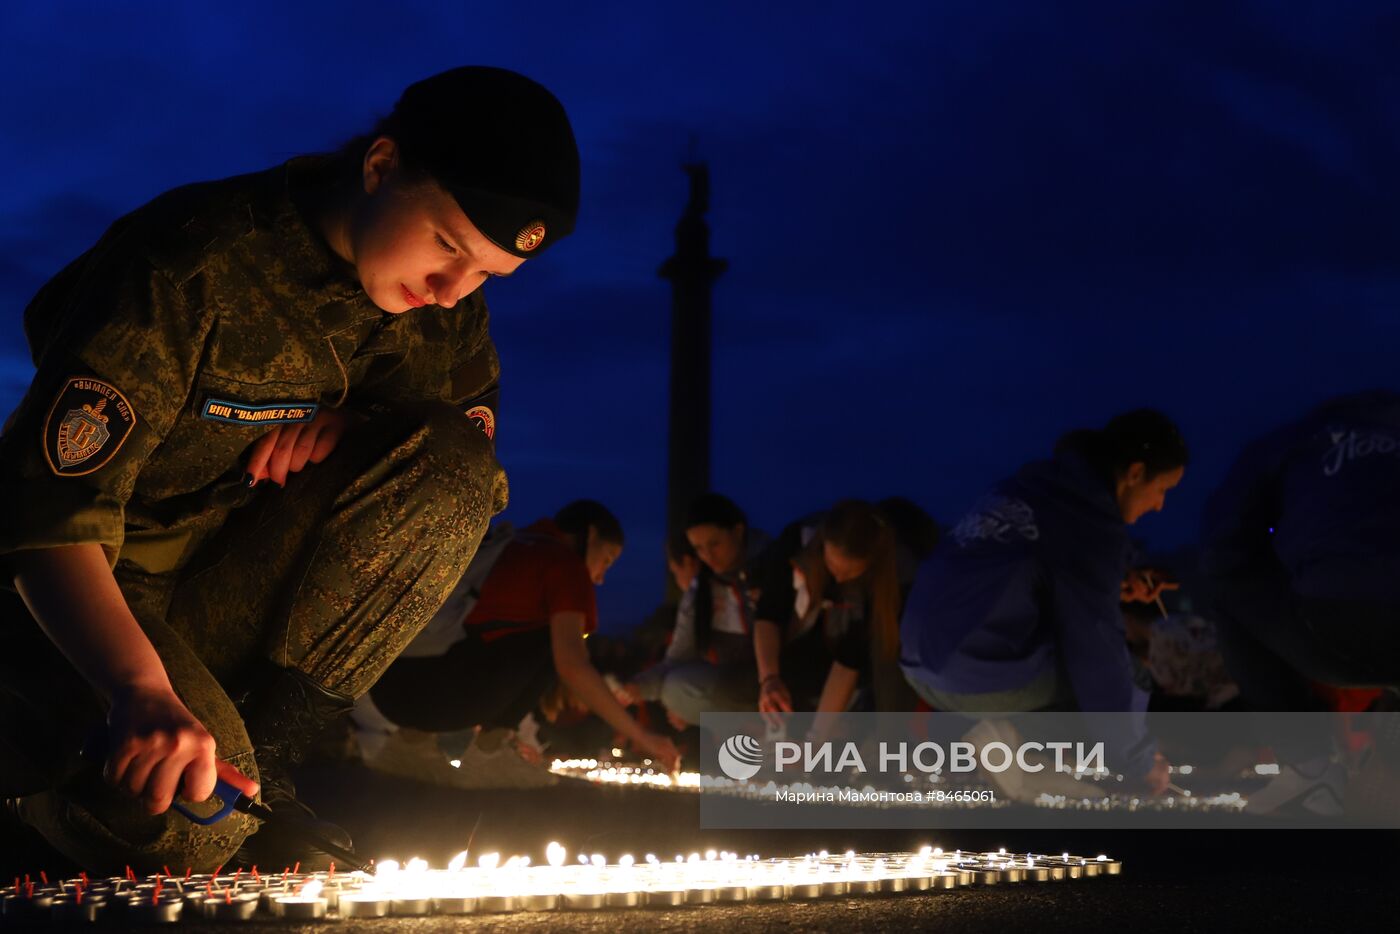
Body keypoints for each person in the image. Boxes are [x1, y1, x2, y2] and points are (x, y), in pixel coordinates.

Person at [0, 66, 579, 871]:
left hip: (213, 586)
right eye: (447, 244)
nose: (453, 292)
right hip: (74, 600)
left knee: (454, 472)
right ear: (380, 167)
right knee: (184, 829)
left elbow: (459, 485)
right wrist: (137, 687)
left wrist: (360, 425)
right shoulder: (194, 262)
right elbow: (42, 511)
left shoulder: (442, 322)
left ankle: (263, 775)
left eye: (485, 272)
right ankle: (36, 785)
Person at [899, 409, 1188, 794]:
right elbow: (1097, 652)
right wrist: (1136, 757)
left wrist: (1114, 585)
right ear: (1135, 474)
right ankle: (1033, 758)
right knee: (1127, 675)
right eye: (1162, 490)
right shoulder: (1092, 526)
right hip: (975, 672)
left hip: (920, 666)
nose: (1160, 506)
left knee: (1090, 672)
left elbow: (1019, 574)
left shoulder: (1032, 486)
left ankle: (1003, 748)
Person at [366, 501, 680, 771]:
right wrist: (643, 736)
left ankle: (411, 746)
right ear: (591, 534)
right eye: (606, 561)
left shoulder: (506, 544)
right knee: (554, 635)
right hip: (444, 698)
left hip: (388, 689)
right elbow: (572, 665)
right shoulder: (563, 563)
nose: (599, 578)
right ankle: (492, 750)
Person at [1201, 391, 1400, 813]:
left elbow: (1223, 542)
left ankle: (1308, 765)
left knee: (1229, 585)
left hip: (1334, 625)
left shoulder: (1291, 442)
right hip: (1346, 618)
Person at [754, 501, 918, 725]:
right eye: (832, 565)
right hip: (800, 650)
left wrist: (816, 741)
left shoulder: (886, 582)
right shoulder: (795, 543)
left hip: (862, 666)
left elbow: (849, 661)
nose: (839, 578)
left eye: (850, 571)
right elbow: (768, 613)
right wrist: (769, 679)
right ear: (822, 544)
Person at [626, 494, 769, 727]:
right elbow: (679, 656)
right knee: (676, 688)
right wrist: (639, 686)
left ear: (738, 531)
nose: (707, 556)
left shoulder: (774, 568)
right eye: (699, 548)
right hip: (735, 686)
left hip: (782, 674)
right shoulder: (702, 590)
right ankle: (747, 747)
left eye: (714, 544)